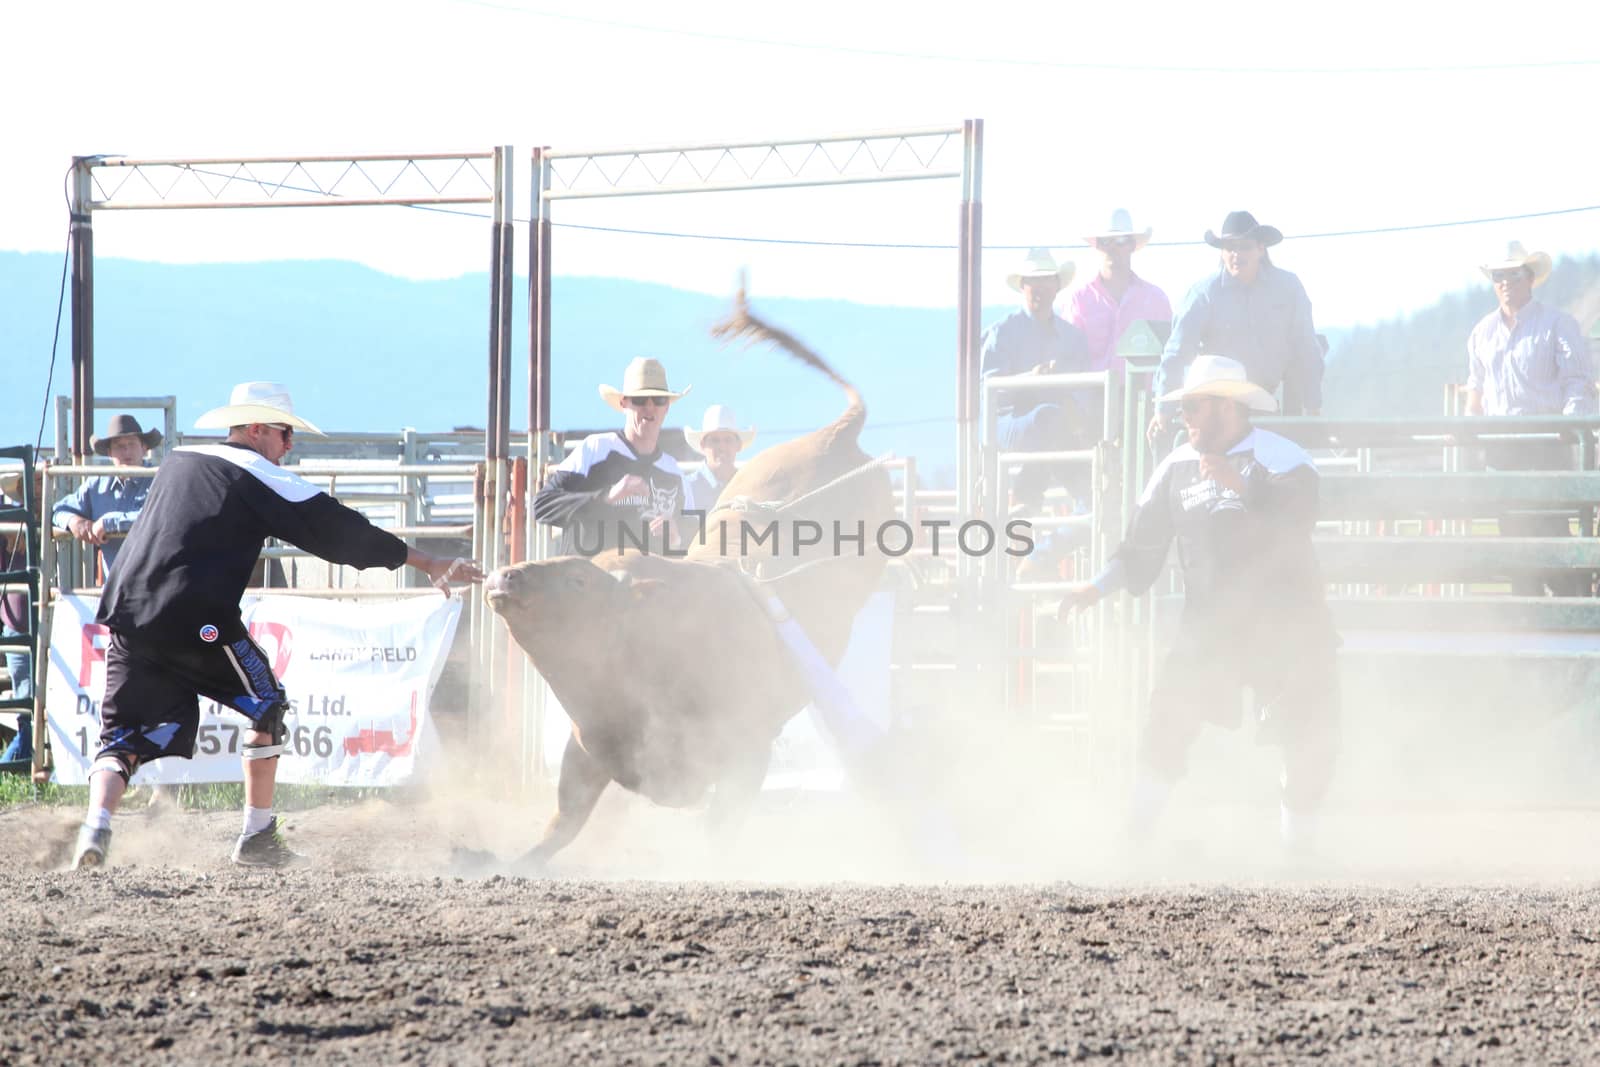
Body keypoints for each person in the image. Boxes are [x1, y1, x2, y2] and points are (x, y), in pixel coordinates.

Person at [70, 382, 485, 870]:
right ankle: (257, 837)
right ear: (258, 429)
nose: (289, 445)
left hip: (128, 610)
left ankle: (95, 829)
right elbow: (342, 532)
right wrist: (427, 560)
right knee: (265, 702)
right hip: (196, 617)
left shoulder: (179, 460)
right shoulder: (257, 473)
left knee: (119, 736)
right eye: (286, 434)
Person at [1059, 356, 1340, 851]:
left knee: (1308, 733)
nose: (1182, 416)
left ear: (1226, 408)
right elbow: (1141, 547)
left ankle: (1301, 852)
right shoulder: (1176, 468)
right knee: (1167, 720)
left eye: (1192, 406)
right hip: (1210, 625)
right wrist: (1096, 587)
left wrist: (1244, 486)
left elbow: (1299, 521)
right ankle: (1134, 838)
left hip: (1288, 623)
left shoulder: (1283, 459)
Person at [1465, 241, 1596, 596]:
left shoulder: (1557, 323)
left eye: (1513, 275)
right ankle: (1529, 613)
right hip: (1501, 450)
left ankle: (1573, 605)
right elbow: (1476, 387)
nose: (1506, 282)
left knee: (1550, 530)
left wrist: (1568, 427)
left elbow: (1576, 382)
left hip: (1546, 445)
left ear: (1529, 279)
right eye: (1499, 276)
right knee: (1513, 535)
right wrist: (1468, 425)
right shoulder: (1482, 332)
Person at [1151, 211, 1324, 445]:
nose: (1236, 254)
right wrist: (1164, 409)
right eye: (1230, 247)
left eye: (1245, 247)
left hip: (1263, 404)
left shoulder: (1288, 288)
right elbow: (1177, 352)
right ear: (1222, 252)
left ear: (1260, 249)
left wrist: (1312, 404)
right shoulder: (1203, 294)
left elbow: (1307, 348)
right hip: (1215, 410)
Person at [534, 357, 690, 557]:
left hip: (643, 586)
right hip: (586, 583)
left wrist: (675, 538)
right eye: (640, 400)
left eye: (658, 400)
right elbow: (543, 505)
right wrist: (607, 496)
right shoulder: (596, 448)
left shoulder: (674, 471)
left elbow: (692, 544)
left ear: (666, 407)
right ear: (624, 404)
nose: (649, 407)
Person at [980, 248, 1093, 512]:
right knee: (1050, 420)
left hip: (1056, 424)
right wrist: (1030, 380)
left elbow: (1082, 394)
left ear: (1056, 285)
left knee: (1051, 422)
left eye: (1046, 280)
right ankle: (1044, 504)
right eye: (1033, 281)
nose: (1040, 287)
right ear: (1023, 286)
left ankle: (1027, 501)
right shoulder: (1002, 333)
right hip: (1011, 421)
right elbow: (991, 393)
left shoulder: (1073, 338)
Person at [51, 413, 161, 576]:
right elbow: (57, 510)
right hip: (115, 586)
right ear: (109, 452)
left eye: (131, 443)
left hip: (153, 583)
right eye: (118, 446)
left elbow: (155, 518)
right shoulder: (97, 484)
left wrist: (107, 523)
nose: (126, 451)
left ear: (144, 448)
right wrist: (74, 522)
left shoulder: (158, 479)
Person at [1066, 209, 1173, 376]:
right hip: (1092, 399)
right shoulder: (1079, 301)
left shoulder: (1157, 300)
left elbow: (1170, 359)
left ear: (1132, 245)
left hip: (1144, 398)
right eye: (1105, 242)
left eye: (1120, 241)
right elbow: (1069, 359)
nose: (1112, 248)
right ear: (1097, 246)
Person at [683, 405, 756, 515]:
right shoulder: (685, 489)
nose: (722, 447)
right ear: (702, 445)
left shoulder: (751, 488)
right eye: (715, 440)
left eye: (728, 440)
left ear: (738, 445)